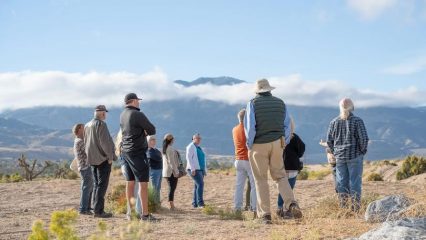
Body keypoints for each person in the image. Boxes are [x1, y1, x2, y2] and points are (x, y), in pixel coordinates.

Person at [244, 79, 302, 224]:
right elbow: (288, 125)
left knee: (260, 179)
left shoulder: (253, 103)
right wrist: (284, 142)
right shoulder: (281, 103)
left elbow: (250, 128)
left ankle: (265, 215)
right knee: (280, 176)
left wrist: (250, 145)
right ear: (270, 90)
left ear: (257, 91)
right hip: (278, 143)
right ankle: (291, 204)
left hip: (259, 144)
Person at [120, 93, 158, 221]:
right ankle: (145, 215)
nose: (139, 103)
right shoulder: (137, 114)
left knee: (130, 182)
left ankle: (130, 213)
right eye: (138, 100)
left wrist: (141, 131)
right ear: (134, 101)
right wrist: (143, 131)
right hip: (137, 153)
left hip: (125, 152)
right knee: (143, 183)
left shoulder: (122, 114)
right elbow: (152, 129)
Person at [326, 98, 369, 212]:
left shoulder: (334, 122)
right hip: (354, 156)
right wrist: (361, 152)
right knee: (355, 183)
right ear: (352, 107)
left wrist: (335, 153)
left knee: (341, 183)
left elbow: (329, 141)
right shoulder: (357, 121)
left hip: (340, 157)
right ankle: (355, 209)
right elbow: (363, 139)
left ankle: (343, 208)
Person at [84, 105, 116, 218]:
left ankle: (95, 209)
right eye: (105, 113)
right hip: (103, 160)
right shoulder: (101, 124)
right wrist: (110, 157)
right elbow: (105, 142)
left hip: (92, 159)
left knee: (97, 184)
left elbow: (86, 143)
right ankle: (99, 211)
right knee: (102, 185)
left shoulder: (87, 125)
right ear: (102, 113)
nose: (105, 115)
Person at [276, 117, 305, 218]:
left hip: (280, 167)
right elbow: (301, 150)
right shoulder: (295, 138)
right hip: (292, 168)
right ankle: (287, 210)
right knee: (289, 189)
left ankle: (279, 208)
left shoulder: (277, 138)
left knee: (282, 189)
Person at [232, 109, 257, 212]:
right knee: (254, 184)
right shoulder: (249, 129)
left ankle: (237, 208)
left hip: (238, 159)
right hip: (248, 159)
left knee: (239, 186)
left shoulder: (234, 129)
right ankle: (254, 207)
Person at [115, 130, 142, 220]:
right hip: (130, 165)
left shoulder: (121, 143)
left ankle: (132, 212)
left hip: (126, 165)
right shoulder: (127, 143)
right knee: (135, 188)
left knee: (134, 188)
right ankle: (132, 212)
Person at [72, 123, 94, 215]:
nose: (85, 129)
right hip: (85, 167)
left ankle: (87, 208)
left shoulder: (78, 140)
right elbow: (88, 151)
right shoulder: (80, 141)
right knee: (86, 188)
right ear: (79, 129)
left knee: (88, 188)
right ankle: (83, 209)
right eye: (83, 128)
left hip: (84, 167)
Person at [186, 133, 207, 208]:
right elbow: (189, 158)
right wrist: (192, 169)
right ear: (193, 139)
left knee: (197, 186)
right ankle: (200, 203)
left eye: (199, 138)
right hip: (194, 169)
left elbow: (202, 159)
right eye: (197, 138)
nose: (198, 140)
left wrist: (204, 170)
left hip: (200, 170)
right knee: (200, 184)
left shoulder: (198, 147)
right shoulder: (190, 147)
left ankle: (194, 203)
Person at [162, 133, 180, 210]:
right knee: (172, 188)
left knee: (171, 188)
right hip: (171, 172)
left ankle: (171, 204)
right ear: (171, 140)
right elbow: (171, 162)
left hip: (166, 172)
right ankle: (171, 205)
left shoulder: (165, 148)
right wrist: (176, 171)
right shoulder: (169, 148)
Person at [147, 135, 163, 206]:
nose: (154, 141)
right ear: (148, 141)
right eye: (152, 139)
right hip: (154, 170)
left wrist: (159, 156)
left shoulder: (155, 150)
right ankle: (154, 204)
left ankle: (157, 203)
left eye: (154, 139)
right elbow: (157, 157)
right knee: (154, 188)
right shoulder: (148, 150)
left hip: (159, 170)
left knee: (158, 187)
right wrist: (160, 156)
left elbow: (159, 157)